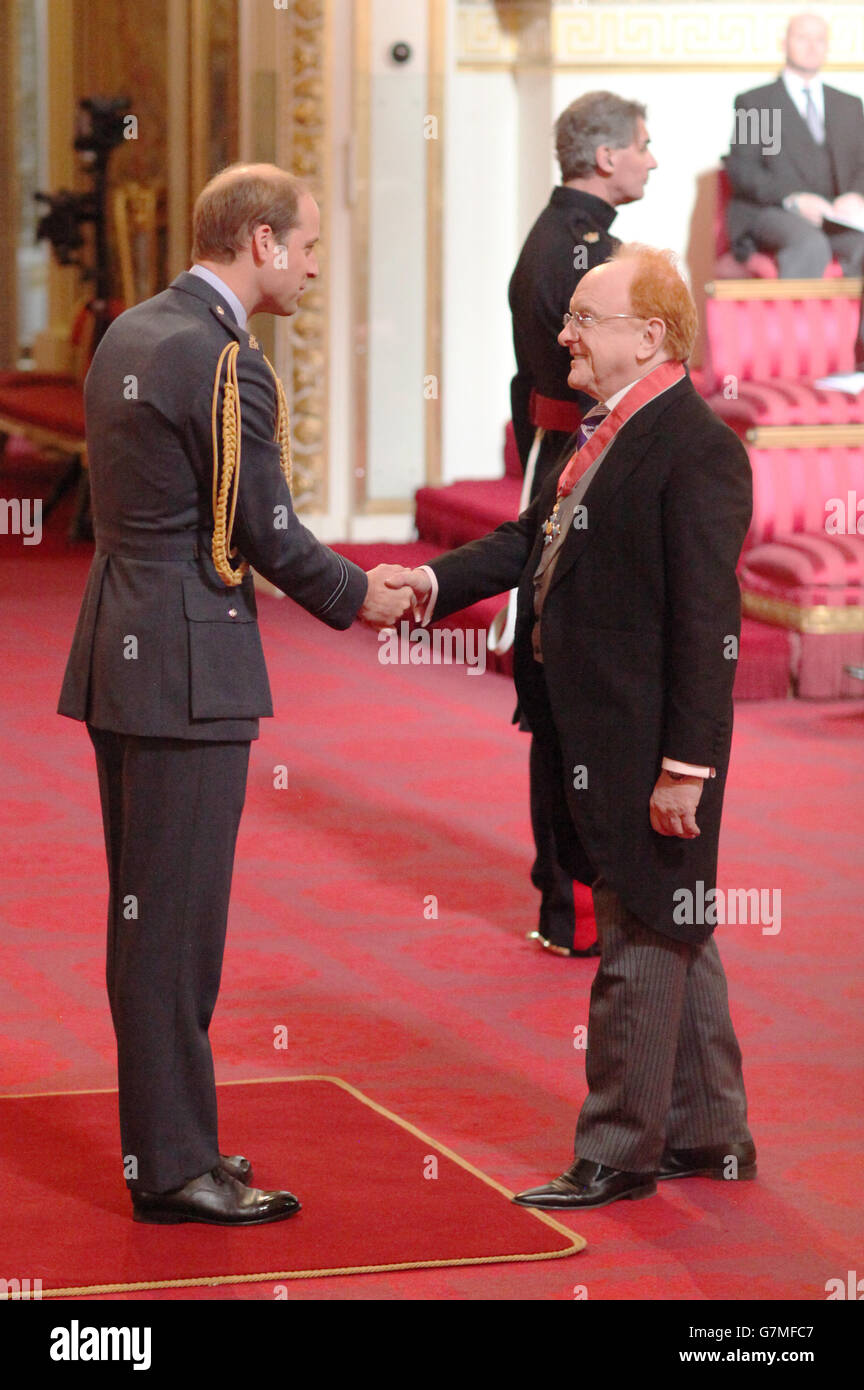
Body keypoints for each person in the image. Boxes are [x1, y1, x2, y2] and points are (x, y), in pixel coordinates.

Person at [58, 163, 413, 1226]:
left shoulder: (130, 330)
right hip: (188, 669)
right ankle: (173, 1169)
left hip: (122, 647)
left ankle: (168, 1145)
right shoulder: (223, 362)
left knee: (145, 919)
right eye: (306, 246)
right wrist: (364, 595)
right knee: (176, 932)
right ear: (259, 241)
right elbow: (268, 531)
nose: (312, 265)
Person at [389, 245, 756, 1210]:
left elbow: (708, 630)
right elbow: (527, 541)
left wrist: (687, 768)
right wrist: (430, 582)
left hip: (646, 745)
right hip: (595, 730)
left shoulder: (697, 449)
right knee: (674, 924)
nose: (564, 334)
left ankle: (619, 1152)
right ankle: (714, 1134)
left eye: (585, 319)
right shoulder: (607, 430)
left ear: (652, 335)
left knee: (638, 942)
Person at [508, 91, 656, 958]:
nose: (651, 159)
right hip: (575, 470)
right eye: (643, 146)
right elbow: (588, 381)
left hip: (587, 463)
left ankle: (590, 897)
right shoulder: (577, 251)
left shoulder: (582, 238)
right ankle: (573, 907)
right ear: (604, 156)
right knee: (561, 689)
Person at [725, 12, 864, 278]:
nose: (812, 46)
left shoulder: (848, 104)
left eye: (819, 39)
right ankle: (801, 320)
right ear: (784, 43)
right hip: (772, 210)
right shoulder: (757, 102)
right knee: (810, 244)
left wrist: (856, 196)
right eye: (802, 37)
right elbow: (743, 170)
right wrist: (794, 199)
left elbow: (862, 164)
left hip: (834, 215)